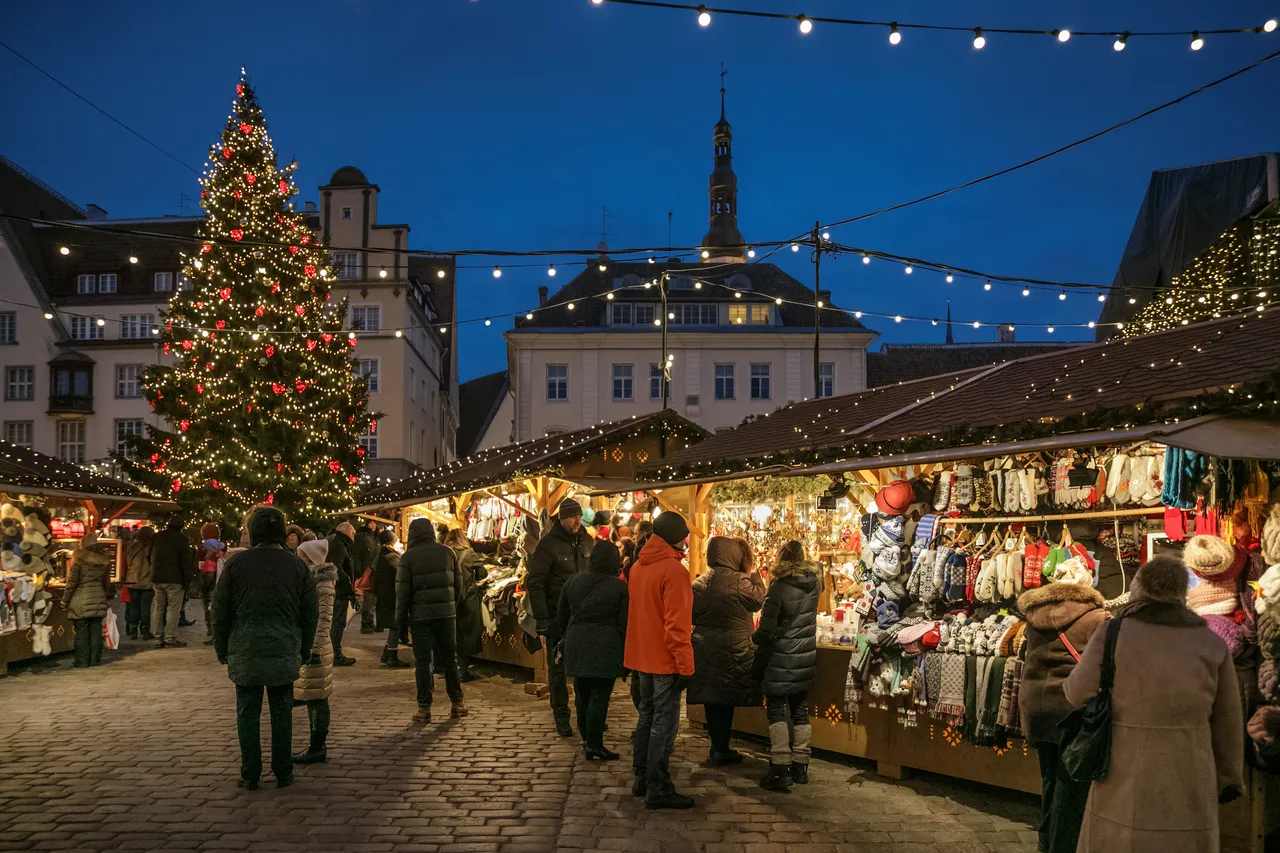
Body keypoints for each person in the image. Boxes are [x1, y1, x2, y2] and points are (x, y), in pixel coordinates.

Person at [1063, 555, 1244, 853]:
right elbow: (1228, 722)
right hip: (1189, 776)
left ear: (1139, 588)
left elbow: (1074, 692)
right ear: (1179, 593)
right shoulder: (1210, 644)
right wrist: (1229, 777)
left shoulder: (1113, 634)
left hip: (1122, 773)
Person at [212, 506, 318, 790]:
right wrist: (304, 649)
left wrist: (221, 647)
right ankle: (283, 771)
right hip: (284, 645)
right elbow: (310, 612)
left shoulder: (237, 564)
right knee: (282, 712)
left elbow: (220, 610)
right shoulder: (296, 565)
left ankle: (250, 772)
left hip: (245, 646)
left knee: (247, 713)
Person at [1018, 565, 1109, 853]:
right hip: (1073, 708)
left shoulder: (1033, 615)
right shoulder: (1098, 618)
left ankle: (1045, 841)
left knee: (1049, 779)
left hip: (1036, 705)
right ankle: (1062, 846)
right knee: (1070, 787)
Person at [625, 511, 696, 810]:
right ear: (676, 538)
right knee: (663, 723)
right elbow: (676, 626)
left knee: (646, 716)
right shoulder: (674, 571)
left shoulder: (639, 567)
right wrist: (686, 665)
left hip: (641, 654)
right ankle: (658, 785)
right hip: (664, 658)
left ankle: (641, 777)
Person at [689, 536, 765, 767]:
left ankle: (717, 746)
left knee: (713, 699)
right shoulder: (741, 581)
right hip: (733, 648)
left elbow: (690, 614)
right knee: (726, 698)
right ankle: (721, 748)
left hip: (704, 647)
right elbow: (759, 600)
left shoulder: (699, 583)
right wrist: (756, 577)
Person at [752, 540, 821, 792]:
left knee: (777, 710)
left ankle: (780, 768)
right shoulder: (815, 585)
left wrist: (754, 638)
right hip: (804, 657)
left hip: (780, 658)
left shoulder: (778, 588)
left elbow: (767, 631)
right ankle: (801, 766)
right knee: (800, 709)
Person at [527, 498, 593, 736]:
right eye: (573, 516)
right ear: (562, 518)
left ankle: (587, 715)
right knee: (558, 670)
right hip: (557, 616)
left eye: (579, 516)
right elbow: (535, 583)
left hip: (584, 616)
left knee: (586, 668)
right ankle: (562, 716)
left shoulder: (587, 540)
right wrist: (542, 621)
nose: (578, 520)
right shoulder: (548, 545)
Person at [556, 541, 629, 760]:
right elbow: (625, 623)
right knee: (600, 695)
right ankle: (594, 743)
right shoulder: (619, 587)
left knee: (581, 693)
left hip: (577, 643)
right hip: (605, 646)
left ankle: (587, 739)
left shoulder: (573, 581)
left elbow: (561, 618)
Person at [396, 518, 468, 722]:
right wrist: (451, 605)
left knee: (423, 662)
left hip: (420, 617)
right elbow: (458, 585)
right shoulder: (448, 553)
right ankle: (457, 703)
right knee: (450, 659)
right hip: (446, 615)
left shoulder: (408, 558)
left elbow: (402, 594)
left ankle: (424, 708)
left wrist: (400, 622)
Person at [292, 539, 336, 765]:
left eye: (301, 555)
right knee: (312, 696)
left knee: (317, 698)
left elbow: (324, 620)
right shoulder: (309, 580)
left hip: (316, 648)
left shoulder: (323, 584)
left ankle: (317, 747)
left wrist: (315, 649)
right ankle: (316, 746)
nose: (298, 558)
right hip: (309, 646)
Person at [444, 528, 487, 682]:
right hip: (466, 598)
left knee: (450, 632)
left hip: (447, 598)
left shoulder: (444, 552)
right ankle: (462, 669)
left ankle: (449, 668)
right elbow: (483, 573)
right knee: (466, 632)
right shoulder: (469, 553)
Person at [64, 533, 112, 667]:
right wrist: (105, 597)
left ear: (83, 545)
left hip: (81, 601)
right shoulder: (105, 560)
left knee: (82, 632)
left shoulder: (79, 560)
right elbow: (107, 584)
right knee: (96, 631)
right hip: (98, 599)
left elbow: (72, 583)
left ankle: (82, 661)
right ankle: (95, 661)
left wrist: (65, 601)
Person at [150, 517, 194, 649]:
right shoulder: (181, 540)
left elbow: (149, 555)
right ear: (181, 527)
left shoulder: (157, 537)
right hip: (175, 579)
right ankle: (170, 639)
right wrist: (187, 580)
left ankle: (157, 638)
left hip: (157, 577)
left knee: (158, 608)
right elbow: (185, 562)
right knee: (173, 610)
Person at [374, 529, 410, 668]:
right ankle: (392, 657)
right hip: (392, 596)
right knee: (396, 625)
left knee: (395, 625)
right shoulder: (392, 557)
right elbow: (402, 574)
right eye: (397, 541)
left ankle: (388, 654)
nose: (399, 543)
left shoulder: (383, 555)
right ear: (391, 543)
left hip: (386, 595)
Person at [325, 521, 359, 666]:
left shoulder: (340, 543)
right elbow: (336, 566)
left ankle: (335, 652)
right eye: (352, 532)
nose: (354, 535)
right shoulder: (339, 544)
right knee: (338, 623)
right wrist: (347, 581)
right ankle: (335, 654)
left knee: (338, 622)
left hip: (341, 590)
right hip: (340, 591)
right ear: (345, 531)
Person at [123, 526, 155, 640]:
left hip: (132, 580)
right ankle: (145, 631)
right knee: (145, 607)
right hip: (147, 581)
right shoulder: (152, 547)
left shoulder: (132, 546)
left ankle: (133, 630)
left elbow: (128, 561)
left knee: (134, 606)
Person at [197, 523, 224, 643]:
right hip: (217, 577)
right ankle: (216, 631)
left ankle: (210, 629)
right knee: (215, 605)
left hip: (204, 578)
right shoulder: (222, 547)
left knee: (206, 603)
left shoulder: (202, 547)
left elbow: (196, 564)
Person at [355, 520, 380, 634]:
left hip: (374, 570)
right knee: (368, 599)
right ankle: (365, 623)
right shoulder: (362, 537)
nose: (373, 525)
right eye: (370, 523)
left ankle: (370, 621)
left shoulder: (375, 537)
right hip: (367, 571)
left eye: (374, 523)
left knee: (373, 599)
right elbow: (357, 554)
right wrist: (359, 571)